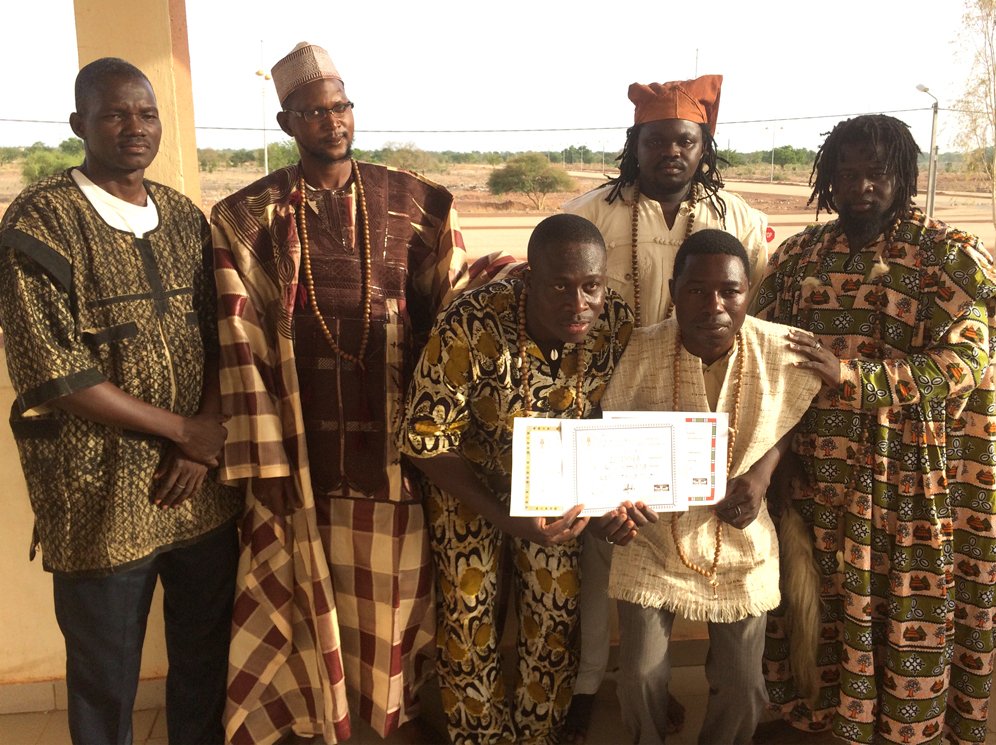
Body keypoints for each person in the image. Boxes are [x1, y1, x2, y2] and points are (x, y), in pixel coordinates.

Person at [211, 42, 486, 743]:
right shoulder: (248, 216)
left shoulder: (417, 201)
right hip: (303, 458)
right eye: (314, 112)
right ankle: (318, 720)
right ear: (287, 123)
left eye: (341, 107)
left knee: (397, 605)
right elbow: (239, 338)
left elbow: (455, 306)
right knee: (306, 594)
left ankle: (393, 722)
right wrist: (264, 459)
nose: (332, 122)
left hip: (396, 457)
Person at [0, 58, 240, 744]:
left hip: (198, 488)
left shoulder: (185, 218)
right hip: (98, 494)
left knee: (204, 657)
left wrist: (205, 431)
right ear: (79, 124)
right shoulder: (41, 221)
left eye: (147, 113)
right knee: (106, 679)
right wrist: (185, 431)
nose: (135, 127)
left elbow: (223, 334)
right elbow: (55, 372)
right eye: (114, 114)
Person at [753, 114, 996, 744]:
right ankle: (820, 716)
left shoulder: (946, 254)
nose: (859, 187)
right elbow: (760, 342)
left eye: (876, 173)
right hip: (810, 466)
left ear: (904, 176)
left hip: (906, 472)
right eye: (846, 173)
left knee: (896, 597)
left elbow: (967, 360)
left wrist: (853, 377)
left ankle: (894, 724)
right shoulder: (800, 256)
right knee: (819, 594)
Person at [560, 74, 770, 741]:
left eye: (686, 140)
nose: (671, 152)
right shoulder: (594, 211)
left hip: (714, 409)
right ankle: (592, 681)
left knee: (710, 545)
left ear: (704, 146)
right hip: (620, 401)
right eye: (656, 140)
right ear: (636, 144)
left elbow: (755, 308)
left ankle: (707, 684)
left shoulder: (737, 217)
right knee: (611, 551)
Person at [398, 213, 634, 744]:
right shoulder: (472, 322)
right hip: (468, 479)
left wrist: (604, 502)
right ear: (529, 279)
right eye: (559, 286)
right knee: (469, 613)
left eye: (591, 286)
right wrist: (506, 517)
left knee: (556, 610)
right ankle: (480, 737)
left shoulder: (615, 322)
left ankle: (538, 733)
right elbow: (424, 439)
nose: (578, 304)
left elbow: (613, 419)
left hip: (558, 486)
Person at [599, 229, 819, 745]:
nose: (714, 305)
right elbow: (605, 441)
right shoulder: (637, 351)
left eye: (730, 291)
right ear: (673, 291)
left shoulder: (779, 349)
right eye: (697, 290)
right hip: (652, 539)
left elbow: (791, 416)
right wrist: (613, 504)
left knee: (744, 686)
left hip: (743, 537)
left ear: (748, 292)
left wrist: (761, 476)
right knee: (639, 675)